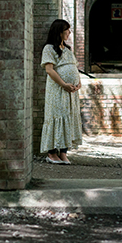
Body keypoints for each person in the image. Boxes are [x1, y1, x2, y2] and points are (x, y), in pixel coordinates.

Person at [40, 19, 83, 164]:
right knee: (56, 116)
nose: (69, 32)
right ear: (59, 31)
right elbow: (49, 70)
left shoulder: (68, 49)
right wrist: (64, 84)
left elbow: (74, 68)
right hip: (57, 90)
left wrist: (78, 83)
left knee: (68, 117)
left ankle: (64, 153)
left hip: (71, 92)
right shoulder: (49, 48)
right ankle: (52, 153)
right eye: (67, 30)